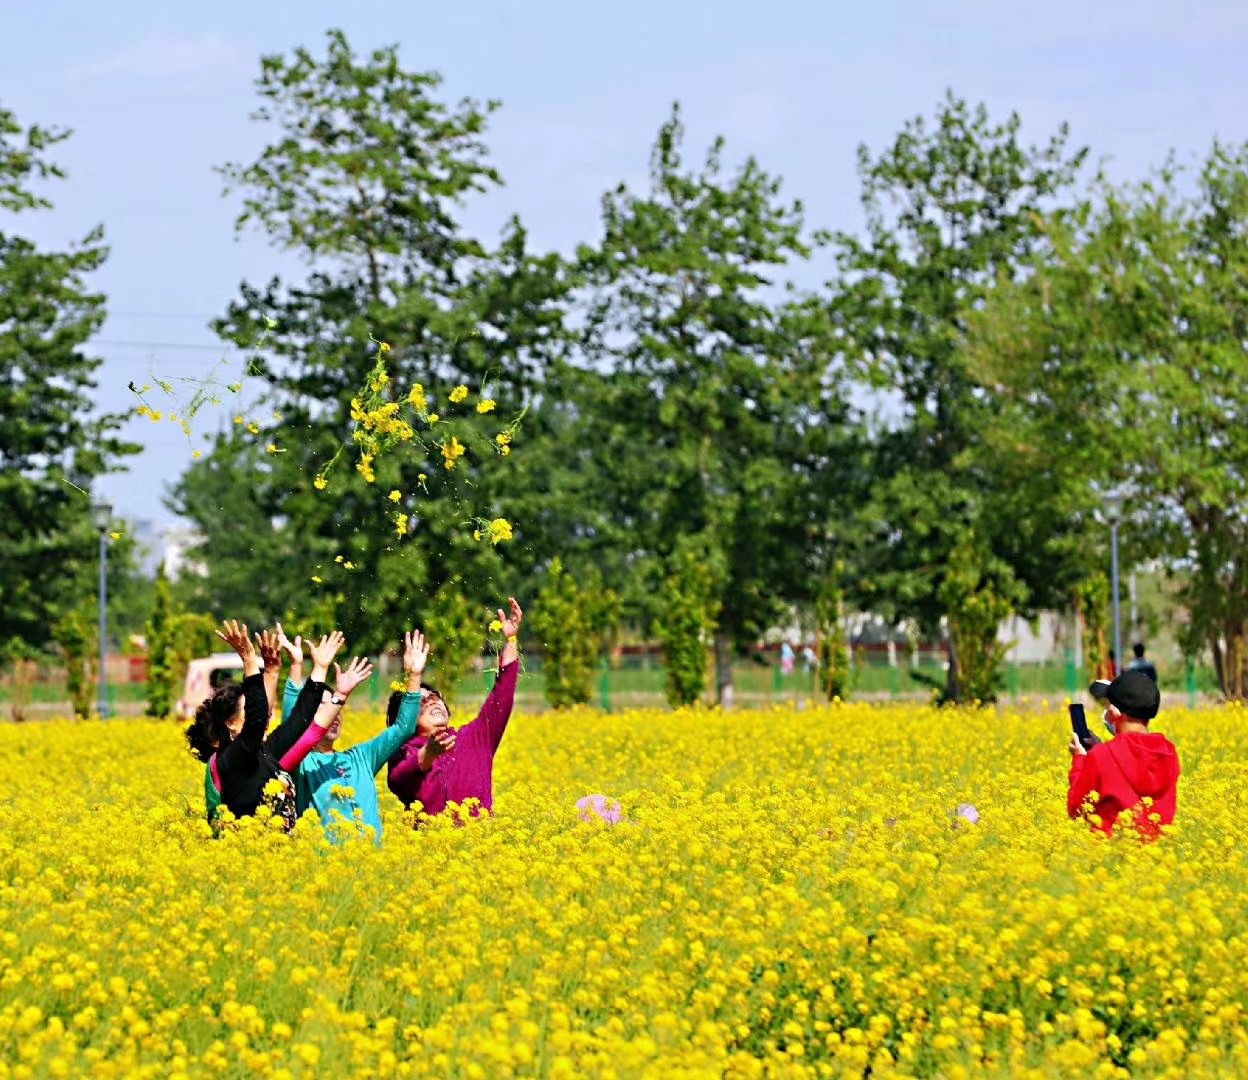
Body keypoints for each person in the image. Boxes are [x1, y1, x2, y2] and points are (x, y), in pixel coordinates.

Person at [186, 622, 345, 828]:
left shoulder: (266, 753)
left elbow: (300, 720)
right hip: (245, 854)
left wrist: (320, 668)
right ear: (231, 723)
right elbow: (258, 717)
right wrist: (250, 662)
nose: (262, 716)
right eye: (247, 710)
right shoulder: (232, 760)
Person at [387, 598, 523, 821]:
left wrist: (511, 639)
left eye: (434, 696)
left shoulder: (474, 738)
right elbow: (400, 779)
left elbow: (502, 696)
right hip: (431, 852)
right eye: (421, 702)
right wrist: (428, 754)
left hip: (481, 851)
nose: (432, 701)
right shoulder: (404, 753)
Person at [294, 629, 429, 843]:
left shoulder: (361, 758)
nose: (334, 714)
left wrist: (414, 676)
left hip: (370, 869)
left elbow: (404, 727)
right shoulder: (301, 764)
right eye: (324, 707)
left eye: (337, 707)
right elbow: (291, 723)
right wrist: (313, 668)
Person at [1067, 671, 1180, 839]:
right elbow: (1131, 760)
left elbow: (1077, 808)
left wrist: (1080, 760)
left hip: (1111, 857)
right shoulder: (1168, 753)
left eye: (1108, 704)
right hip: (1158, 857)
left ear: (1114, 712)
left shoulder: (1101, 756)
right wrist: (1101, 750)